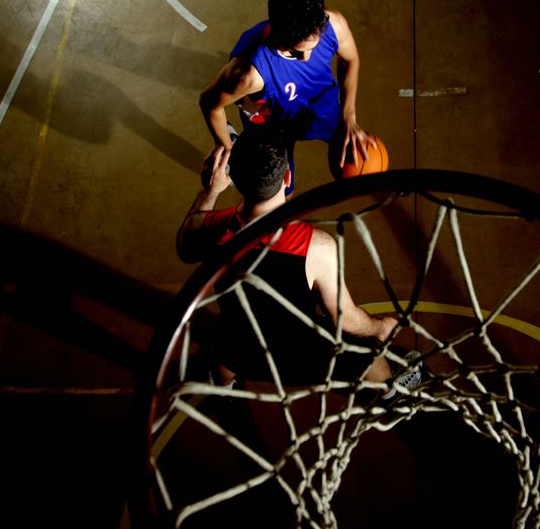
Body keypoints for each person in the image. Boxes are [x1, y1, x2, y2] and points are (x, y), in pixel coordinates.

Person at [176, 125, 419, 399]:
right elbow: (346, 319)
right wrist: (380, 327)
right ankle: (390, 391)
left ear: (232, 176)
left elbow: (185, 246)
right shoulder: (316, 246)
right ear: (287, 177)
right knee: (366, 351)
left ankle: (222, 382)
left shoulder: (210, 228)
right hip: (300, 355)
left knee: (229, 335)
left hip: (241, 347)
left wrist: (210, 191)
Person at [198, 0, 372, 196]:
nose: (306, 58)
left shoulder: (334, 24)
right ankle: (237, 141)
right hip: (272, 126)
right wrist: (228, 151)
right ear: (276, 32)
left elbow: (350, 60)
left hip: (318, 104)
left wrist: (349, 116)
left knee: (360, 156)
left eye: (312, 48)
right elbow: (209, 103)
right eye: (297, 52)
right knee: (280, 193)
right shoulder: (247, 73)